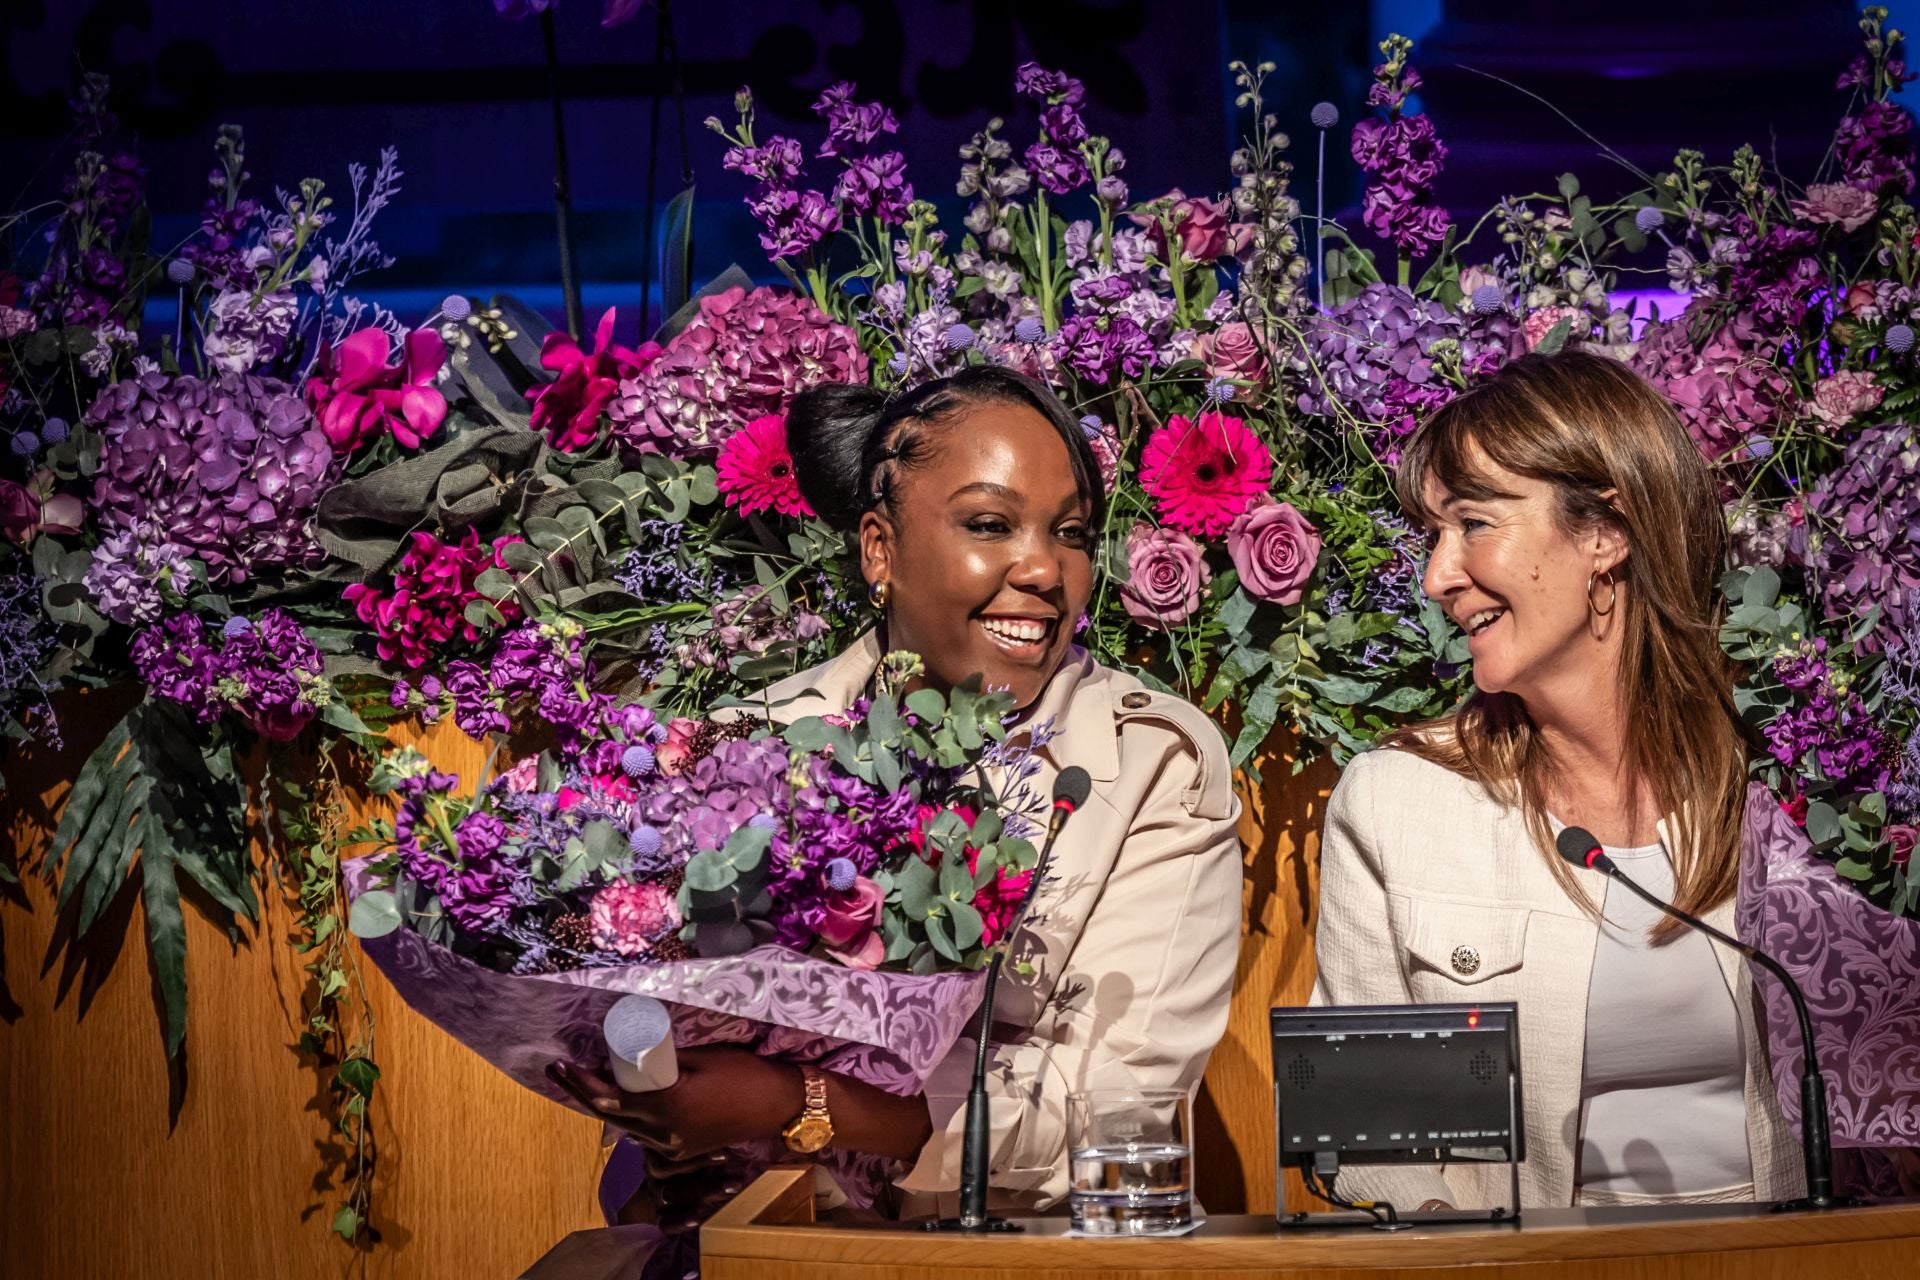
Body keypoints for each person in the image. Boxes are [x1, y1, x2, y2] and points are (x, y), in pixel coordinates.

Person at [550, 366, 1244, 1226]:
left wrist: (793, 1103)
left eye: (1069, 532)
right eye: (990, 525)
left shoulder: (1153, 763)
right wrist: (663, 1126)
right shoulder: (745, 744)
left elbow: (1113, 1111)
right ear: (879, 547)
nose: (1043, 566)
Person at [1310, 351, 1804, 1211]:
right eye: (1434, 535)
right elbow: (1367, 1141)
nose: (1437, 576)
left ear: (1605, 534)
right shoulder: (1397, 802)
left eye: (1472, 524)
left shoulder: (1786, 769)